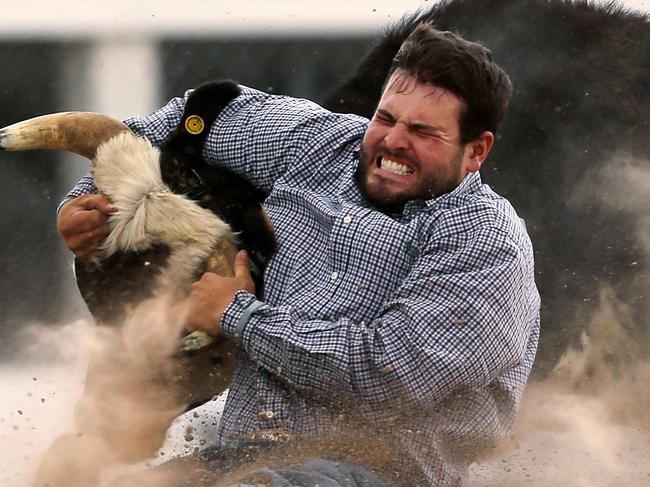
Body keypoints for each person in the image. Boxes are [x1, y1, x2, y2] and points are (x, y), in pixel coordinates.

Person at [57, 24, 540, 487]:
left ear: (476, 151)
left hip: (384, 474)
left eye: (422, 131)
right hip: (245, 456)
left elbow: (390, 377)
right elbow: (182, 123)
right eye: (387, 118)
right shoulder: (320, 143)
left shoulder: (487, 241)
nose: (393, 140)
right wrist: (93, 205)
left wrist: (237, 315)